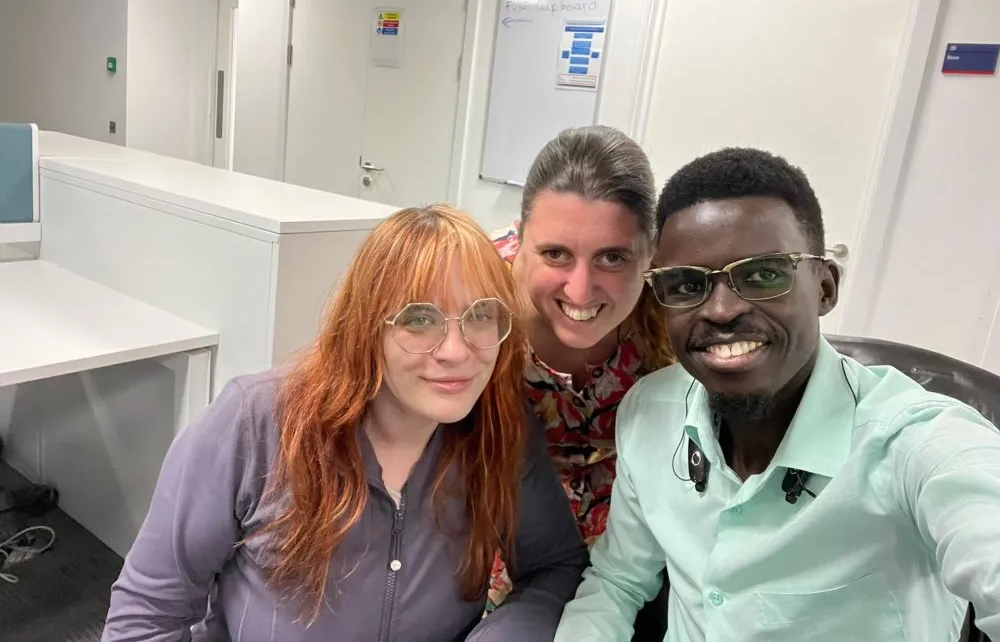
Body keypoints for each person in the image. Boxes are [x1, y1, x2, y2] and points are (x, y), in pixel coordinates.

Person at [555, 147, 1000, 640]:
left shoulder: (912, 443)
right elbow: (617, 581)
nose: (721, 311)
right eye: (687, 284)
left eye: (764, 274)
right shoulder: (649, 412)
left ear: (826, 288)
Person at [102, 205, 588, 642]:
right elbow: (146, 616)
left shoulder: (499, 430)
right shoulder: (256, 424)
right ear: (366, 328)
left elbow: (555, 568)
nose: (456, 351)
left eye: (481, 314)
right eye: (420, 319)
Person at [490, 126, 674, 637]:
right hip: (495, 526)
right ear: (519, 238)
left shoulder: (674, 308)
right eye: (555, 254)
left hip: (629, 551)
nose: (580, 288)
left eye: (613, 257)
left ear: (651, 252)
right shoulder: (473, 301)